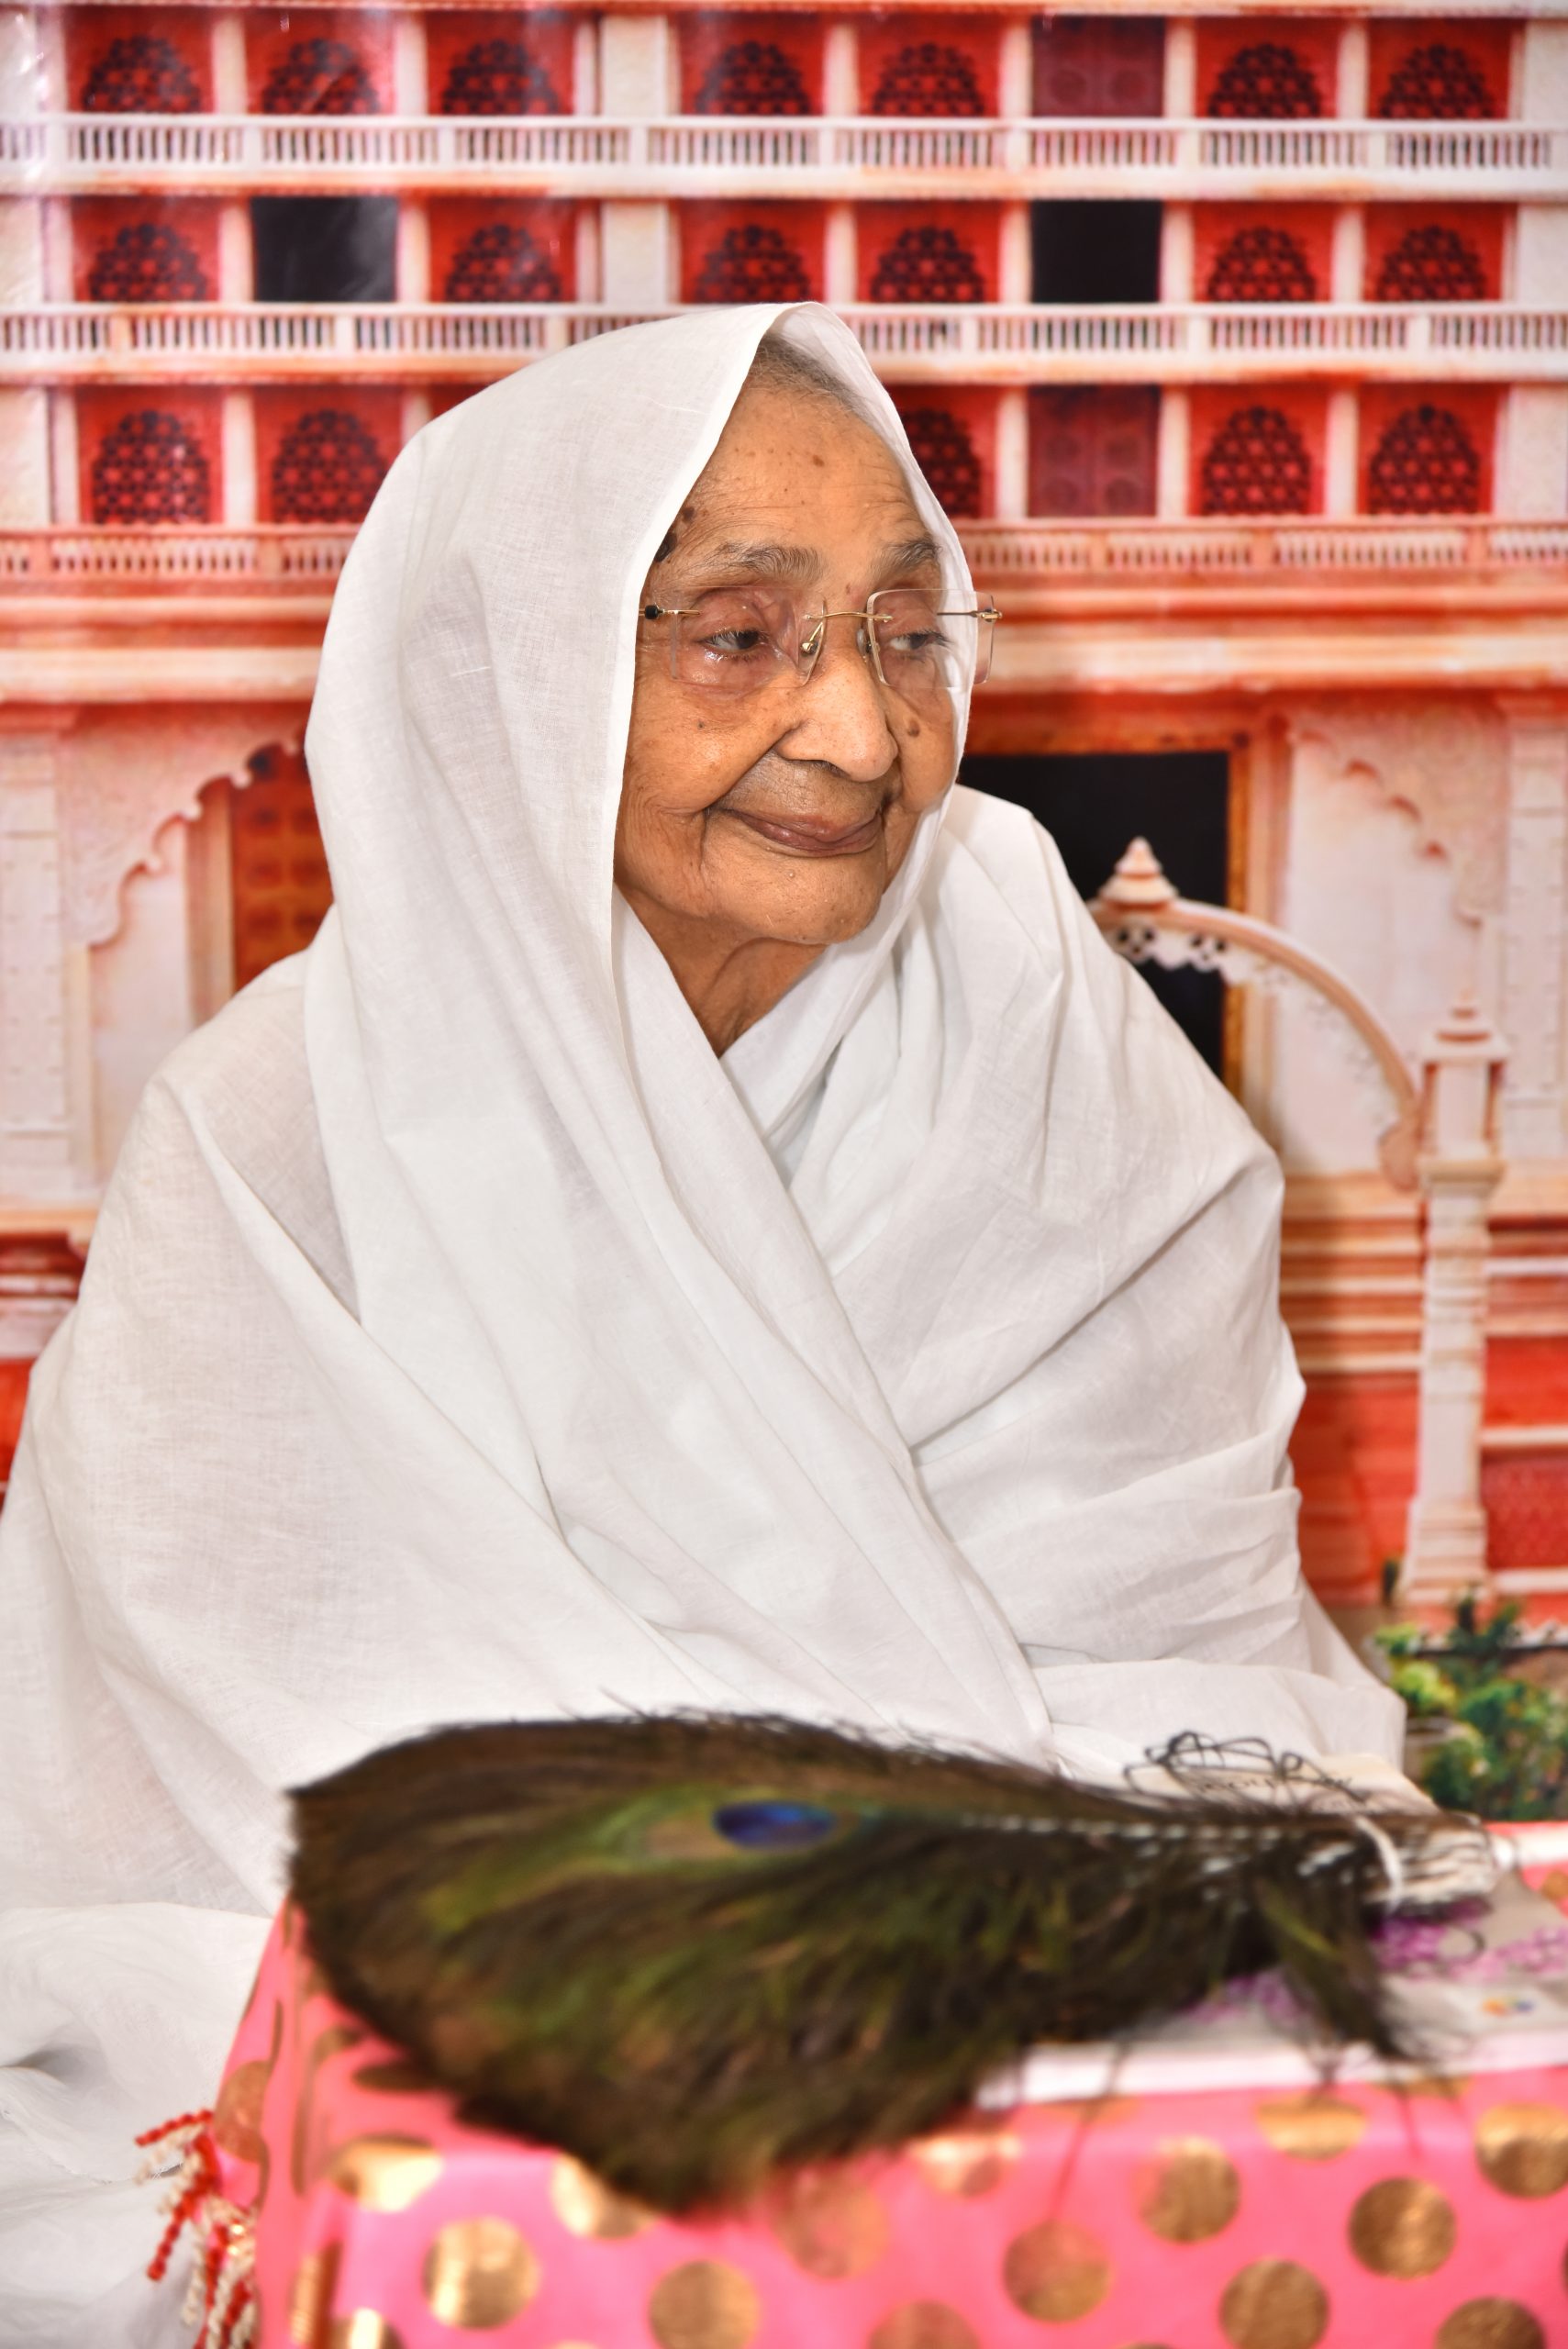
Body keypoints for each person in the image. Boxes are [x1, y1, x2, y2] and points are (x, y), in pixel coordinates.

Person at [0, 304, 1402, 2343]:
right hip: (426, 2057)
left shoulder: (1041, 1028)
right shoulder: (274, 1139)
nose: (861, 736)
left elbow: (1192, 1654)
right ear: (516, 670)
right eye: (739, 636)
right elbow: (222, 1776)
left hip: (1050, 2024)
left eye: (906, 635)